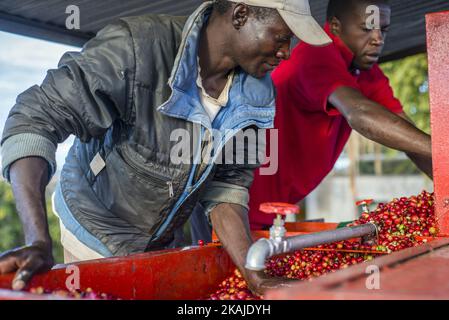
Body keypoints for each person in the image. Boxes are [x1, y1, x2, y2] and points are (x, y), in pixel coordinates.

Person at [0, 0, 330, 295]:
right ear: (241, 14)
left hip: (159, 240)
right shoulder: (136, 48)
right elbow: (34, 121)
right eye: (281, 37)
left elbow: (227, 186)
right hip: (94, 227)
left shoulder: (258, 93)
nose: (287, 53)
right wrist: (38, 242)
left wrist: (252, 272)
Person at [248, 0, 433, 230]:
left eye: (383, 29)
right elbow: (360, 113)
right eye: (367, 29)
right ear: (335, 26)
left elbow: (406, 133)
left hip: (271, 205)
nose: (378, 39)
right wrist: (443, 151)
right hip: (237, 200)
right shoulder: (315, 54)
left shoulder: (366, 71)